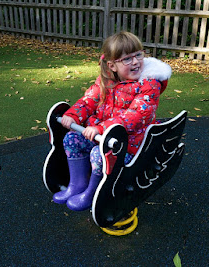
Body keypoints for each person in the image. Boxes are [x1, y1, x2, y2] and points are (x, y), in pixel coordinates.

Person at [53, 31, 172, 211]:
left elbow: (136, 116)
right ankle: (77, 186)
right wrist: (73, 115)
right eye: (127, 59)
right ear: (112, 65)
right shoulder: (105, 81)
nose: (135, 62)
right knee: (71, 140)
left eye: (138, 55)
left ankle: (94, 193)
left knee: (98, 155)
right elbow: (89, 101)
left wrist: (101, 128)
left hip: (131, 145)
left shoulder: (149, 84)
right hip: (105, 138)